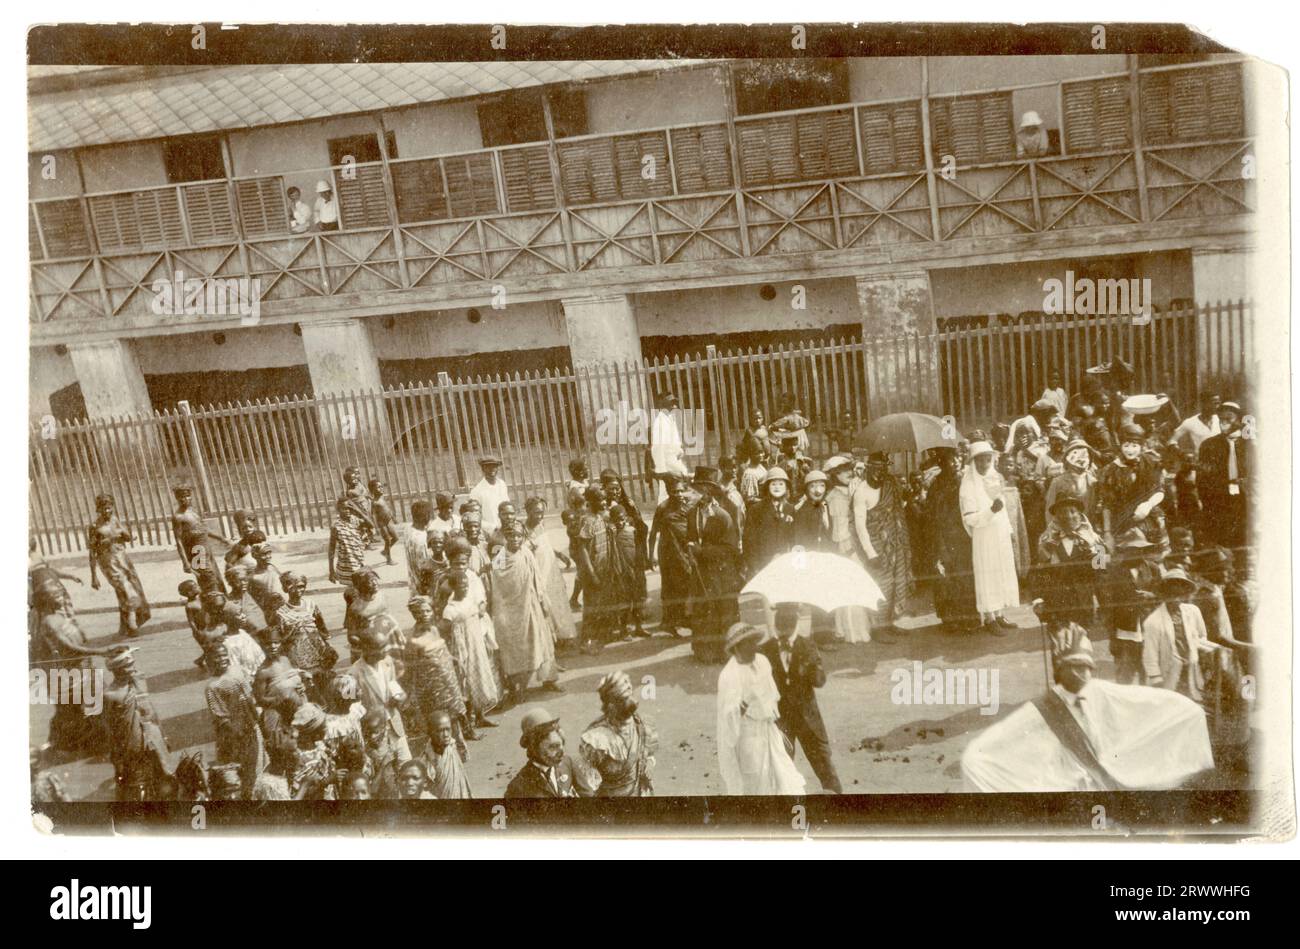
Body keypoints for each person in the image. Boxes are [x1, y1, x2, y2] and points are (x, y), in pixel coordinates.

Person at [961, 624, 1212, 791]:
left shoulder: (1098, 690)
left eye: (1086, 668)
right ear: (1060, 670)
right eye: (1075, 668)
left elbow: (1143, 700)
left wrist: (1188, 710)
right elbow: (997, 742)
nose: (1083, 674)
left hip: (1103, 767)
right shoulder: (1043, 707)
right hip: (1066, 778)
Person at [715, 622, 806, 796]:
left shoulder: (762, 662)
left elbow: (773, 696)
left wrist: (774, 719)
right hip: (748, 735)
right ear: (737, 647)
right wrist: (746, 701)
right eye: (748, 643)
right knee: (756, 778)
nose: (754, 647)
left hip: (768, 729)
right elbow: (729, 718)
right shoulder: (729, 675)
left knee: (781, 773)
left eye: (754, 642)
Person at [760, 604, 842, 793]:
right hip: (780, 720)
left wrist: (810, 666)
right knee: (781, 769)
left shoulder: (808, 646)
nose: (784, 629)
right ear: (775, 624)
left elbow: (820, 681)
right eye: (781, 623)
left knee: (825, 767)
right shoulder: (765, 649)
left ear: (795, 624)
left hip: (808, 719)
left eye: (788, 624)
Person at [31, 582, 110, 754]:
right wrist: (102, 651)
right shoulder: (49, 622)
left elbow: (80, 637)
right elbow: (68, 648)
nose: (61, 597)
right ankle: (63, 745)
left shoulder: (61, 616)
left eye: (61, 593)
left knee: (92, 705)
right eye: (56, 595)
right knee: (72, 710)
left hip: (82, 668)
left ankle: (92, 741)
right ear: (46, 600)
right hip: (69, 674)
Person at [492, 523, 563, 704]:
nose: (515, 539)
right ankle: (519, 688)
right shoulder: (500, 558)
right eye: (511, 536)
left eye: (518, 536)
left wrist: (541, 599)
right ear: (506, 537)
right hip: (511, 609)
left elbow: (536, 576)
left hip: (531, 604)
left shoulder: (526, 553)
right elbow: (497, 585)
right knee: (517, 648)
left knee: (542, 641)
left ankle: (549, 679)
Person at [960, 442, 1021, 634]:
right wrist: (989, 511)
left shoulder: (996, 478)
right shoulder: (968, 485)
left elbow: (1003, 509)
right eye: (980, 459)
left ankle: (999, 613)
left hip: (1000, 534)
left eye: (988, 458)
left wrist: (1009, 531)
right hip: (984, 536)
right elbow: (969, 517)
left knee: (1001, 572)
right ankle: (989, 617)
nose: (984, 462)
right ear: (973, 461)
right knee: (987, 575)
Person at [853, 452, 914, 640]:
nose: (879, 474)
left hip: (895, 544)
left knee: (896, 584)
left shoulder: (890, 485)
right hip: (877, 547)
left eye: (883, 469)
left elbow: (897, 508)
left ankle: (890, 622)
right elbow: (860, 526)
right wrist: (871, 553)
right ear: (868, 469)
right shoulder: (861, 491)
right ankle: (878, 627)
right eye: (875, 469)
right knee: (881, 585)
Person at [405, 596, 472, 747]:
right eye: (421, 612)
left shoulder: (435, 629)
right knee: (439, 723)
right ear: (415, 615)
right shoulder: (412, 640)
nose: (426, 615)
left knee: (454, 717)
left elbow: (443, 650)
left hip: (448, 683)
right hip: (431, 690)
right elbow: (409, 668)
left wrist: (454, 659)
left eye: (428, 610)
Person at [577, 671, 658, 797]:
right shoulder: (597, 738)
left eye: (630, 695)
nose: (632, 702)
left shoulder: (641, 724)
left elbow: (649, 754)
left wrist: (649, 764)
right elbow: (586, 779)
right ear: (611, 705)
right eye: (624, 699)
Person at [924, 448, 978, 633]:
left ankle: (970, 616)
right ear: (941, 462)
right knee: (947, 577)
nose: (955, 461)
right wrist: (940, 543)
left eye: (956, 457)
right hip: (945, 536)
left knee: (966, 576)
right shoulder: (937, 485)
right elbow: (933, 515)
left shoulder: (966, 480)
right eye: (949, 459)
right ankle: (950, 619)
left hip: (964, 536)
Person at [442, 564, 501, 731]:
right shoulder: (449, 609)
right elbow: (446, 635)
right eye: (461, 586)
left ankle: (481, 716)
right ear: (453, 587)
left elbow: (479, 620)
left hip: (477, 646)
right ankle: (468, 726)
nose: (465, 588)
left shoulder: (469, 600)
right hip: (462, 650)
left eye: (466, 585)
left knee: (480, 678)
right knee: (466, 684)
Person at [204, 641, 265, 797]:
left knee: (255, 767)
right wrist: (238, 736)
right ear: (210, 659)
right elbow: (221, 718)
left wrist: (257, 720)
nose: (223, 659)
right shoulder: (213, 686)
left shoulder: (237, 671)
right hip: (234, 736)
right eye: (217, 656)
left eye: (224, 654)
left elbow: (250, 696)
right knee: (238, 772)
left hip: (250, 726)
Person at [1141, 569, 1213, 703]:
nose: (1175, 598)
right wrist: (1157, 681)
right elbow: (1150, 656)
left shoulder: (1193, 612)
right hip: (1168, 675)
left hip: (1191, 671)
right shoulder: (1153, 622)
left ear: (1184, 594)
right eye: (1171, 594)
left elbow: (1202, 637)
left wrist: (1198, 655)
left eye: (1179, 593)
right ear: (1164, 594)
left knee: (1191, 705)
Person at [1033, 496, 1103, 629]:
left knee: (1082, 644)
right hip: (1056, 604)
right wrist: (1039, 598)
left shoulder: (1094, 540)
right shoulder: (1046, 542)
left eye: (1072, 511)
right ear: (1056, 517)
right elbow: (1041, 573)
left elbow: (1101, 573)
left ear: (1080, 515)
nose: (1068, 516)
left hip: (1084, 604)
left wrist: (1101, 601)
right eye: (1063, 512)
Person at [87, 493, 151, 638]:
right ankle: (132, 624)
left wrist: (123, 532)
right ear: (98, 509)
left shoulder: (115, 520)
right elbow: (92, 552)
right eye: (104, 509)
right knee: (125, 588)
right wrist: (94, 576)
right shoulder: (94, 527)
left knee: (129, 588)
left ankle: (125, 627)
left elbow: (128, 537)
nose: (107, 511)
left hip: (123, 559)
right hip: (108, 561)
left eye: (109, 508)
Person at [350, 617, 412, 763]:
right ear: (367, 649)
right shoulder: (353, 674)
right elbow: (351, 709)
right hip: (375, 733)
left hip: (395, 724)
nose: (386, 649)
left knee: (406, 762)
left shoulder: (387, 662)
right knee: (385, 770)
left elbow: (393, 685)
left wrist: (399, 696)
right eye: (381, 647)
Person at [523, 496, 578, 648]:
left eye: (541, 512)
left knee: (558, 602)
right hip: (539, 571)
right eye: (536, 513)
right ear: (528, 512)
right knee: (545, 604)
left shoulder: (541, 525)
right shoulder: (523, 530)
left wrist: (559, 555)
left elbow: (545, 546)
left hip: (551, 569)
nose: (540, 516)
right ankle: (551, 641)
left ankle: (565, 636)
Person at [649, 475, 698, 638]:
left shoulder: (689, 506)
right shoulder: (663, 508)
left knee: (686, 584)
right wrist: (650, 556)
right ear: (669, 492)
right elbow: (653, 532)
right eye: (674, 491)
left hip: (684, 550)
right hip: (668, 552)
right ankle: (669, 622)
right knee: (670, 587)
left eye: (681, 491)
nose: (678, 494)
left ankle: (684, 618)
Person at [1197, 400, 1249, 551]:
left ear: (1239, 420)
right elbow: (1202, 480)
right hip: (1219, 500)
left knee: (1244, 542)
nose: (1224, 423)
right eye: (1221, 420)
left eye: (1229, 419)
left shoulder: (1249, 445)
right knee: (1221, 541)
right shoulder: (1209, 445)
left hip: (1244, 498)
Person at [505, 708, 590, 798]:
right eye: (553, 747)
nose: (561, 753)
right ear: (534, 747)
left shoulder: (568, 763)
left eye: (561, 745)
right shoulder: (518, 786)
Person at [275, 572, 336, 696]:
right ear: (285, 588)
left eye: (301, 586)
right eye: (293, 586)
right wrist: (291, 631)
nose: (298, 590)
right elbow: (280, 640)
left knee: (325, 685)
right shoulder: (281, 613)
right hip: (299, 657)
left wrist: (327, 648)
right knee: (309, 689)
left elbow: (321, 627)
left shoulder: (311, 605)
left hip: (318, 652)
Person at [171, 485, 230, 594]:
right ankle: (214, 606)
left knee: (216, 578)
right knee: (208, 580)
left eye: (187, 496)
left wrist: (221, 538)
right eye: (181, 497)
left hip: (206, 549)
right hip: (196, 552)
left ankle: (222, 603)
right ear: (177, 499)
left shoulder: (193, 512)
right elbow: (178, 540)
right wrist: (185, 562)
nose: (185, 499)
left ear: (191, 497)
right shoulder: (178, 517)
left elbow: (204, 529)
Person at [744, 466, 796, 575]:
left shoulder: (790, 509)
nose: (777, 487)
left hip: (784, 561)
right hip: (763, 562)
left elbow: (794, 538)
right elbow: (750, 541)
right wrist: (754, 567)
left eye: (781, 484)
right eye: (773, 484)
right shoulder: (756, 509)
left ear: (786, 487)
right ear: (767, 487)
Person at [1045, 437, 1100, 524]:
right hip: (1064, 529)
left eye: (1085, 455)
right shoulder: (1058, 482)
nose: (1081, 459)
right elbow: (1049, 510)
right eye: (1075, 454)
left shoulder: (1093, 482)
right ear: (1067, 459)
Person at [343, 569, 391, 664]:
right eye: (370, 581)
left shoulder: (382, 597)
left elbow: (388, 619)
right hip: (366, 650)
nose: (375, 583)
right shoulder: (355, 608)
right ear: (361, 586)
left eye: (375, 579)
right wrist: (369, 645)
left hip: (383, 644)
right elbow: (351, 635)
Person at [650, 390, 689, 503]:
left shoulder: (670, 419)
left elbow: (673, 441)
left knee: (677, 487)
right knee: (666, 491)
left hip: (674, 460)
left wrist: (679, 450)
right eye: (670, 402)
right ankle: (662, 514)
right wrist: (662, 470)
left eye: (674, 402)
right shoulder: (660, 422)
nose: (674, 405)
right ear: (662, 404)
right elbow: (657, 448)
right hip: (667, 464)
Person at [423, 710, 473, 799]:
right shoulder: (426, 762)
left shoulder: (452, 746)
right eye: (440, 731)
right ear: (430, 732)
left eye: (448, 729)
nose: (446, 734)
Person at [328, 498, 368, 590]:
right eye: (344, 508)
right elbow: (331, 548)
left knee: (361, 589)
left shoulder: (356, 520)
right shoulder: (336, 526)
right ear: (338, 510)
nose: (347, 510)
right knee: (354, 590)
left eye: (349, 508)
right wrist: (331, 570)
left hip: (359, 560)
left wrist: (357, 510)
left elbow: (371, 524)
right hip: (347, 563)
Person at [469, 457, 510, 537]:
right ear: (483, 469)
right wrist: (492, 528)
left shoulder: (502, 484)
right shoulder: (477, 491)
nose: (492, 469)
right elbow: (475, 518)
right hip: (489, 533)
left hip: (506, 528)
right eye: (488, 467)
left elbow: (507, 506)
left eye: (494, 466)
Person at [247, 542, 282, 620]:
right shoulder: (254, 577)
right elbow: (252, 596)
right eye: (264, 554)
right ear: (256, 556)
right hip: (267, 608)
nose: (268, 557)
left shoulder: (273, 568)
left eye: (269, 553)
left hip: (281, 604)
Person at [368, 478, 399, 566]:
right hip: (382, 523)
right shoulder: (374, 502)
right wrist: (376, 527)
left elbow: (387, 508)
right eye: (378, 487)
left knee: (396, 538)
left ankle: (385, 551)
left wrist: (393, 517)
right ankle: (389, 559)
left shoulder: (382, 497)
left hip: (388, 521)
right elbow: (373, 515)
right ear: (373, 490)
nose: (381, 488)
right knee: (387, 540)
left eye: (381, 486)